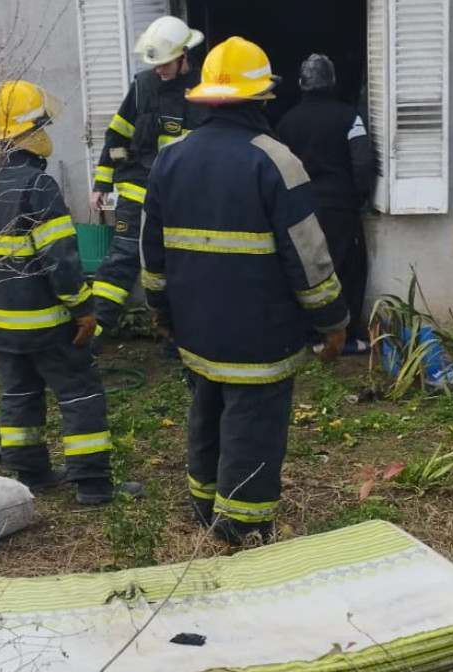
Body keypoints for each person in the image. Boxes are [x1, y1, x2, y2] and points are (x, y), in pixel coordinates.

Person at [141, 37, 349, 545]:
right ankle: (243, 526)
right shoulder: (276, 161)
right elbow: (309, 256)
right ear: (261, 98)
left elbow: (153, 253)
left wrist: (161, 310)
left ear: (206, 97)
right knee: (252, 425)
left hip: (195, 329)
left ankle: (203, 503)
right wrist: (333, 320)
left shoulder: (170, 159)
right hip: (262, 336)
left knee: (206, 411)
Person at [0, 81, 141, 505]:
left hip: (0, 324)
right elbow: (60, 261)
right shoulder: (37, 187)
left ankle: (33, 475)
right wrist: (83, 310)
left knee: (19, 396)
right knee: (81, 394)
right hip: (48, 323)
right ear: (28, 132)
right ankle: (94, 486)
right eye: (42, 123)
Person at [89, 16, 206, 350]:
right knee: (121, 261)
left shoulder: (202, 92)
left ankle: (177, 341)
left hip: (179, 198)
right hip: (136, 190)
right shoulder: (142, 86)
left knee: (179, 265)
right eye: (155, 64)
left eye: (166, 63)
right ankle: (92, 337)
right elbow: (117, 133)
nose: (160, 70)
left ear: (184, 56)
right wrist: (102, 183)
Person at [277, 53, 376, 355]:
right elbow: (362, 161)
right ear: (332, 82)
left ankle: (309, 335)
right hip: (339, 209)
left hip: (300, 209)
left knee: (304, 271)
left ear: (300, 84)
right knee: (347, 269)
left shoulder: (285, 123)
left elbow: (279, 167)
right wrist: (358, 197)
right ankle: (342, 338)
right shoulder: (349, 117)